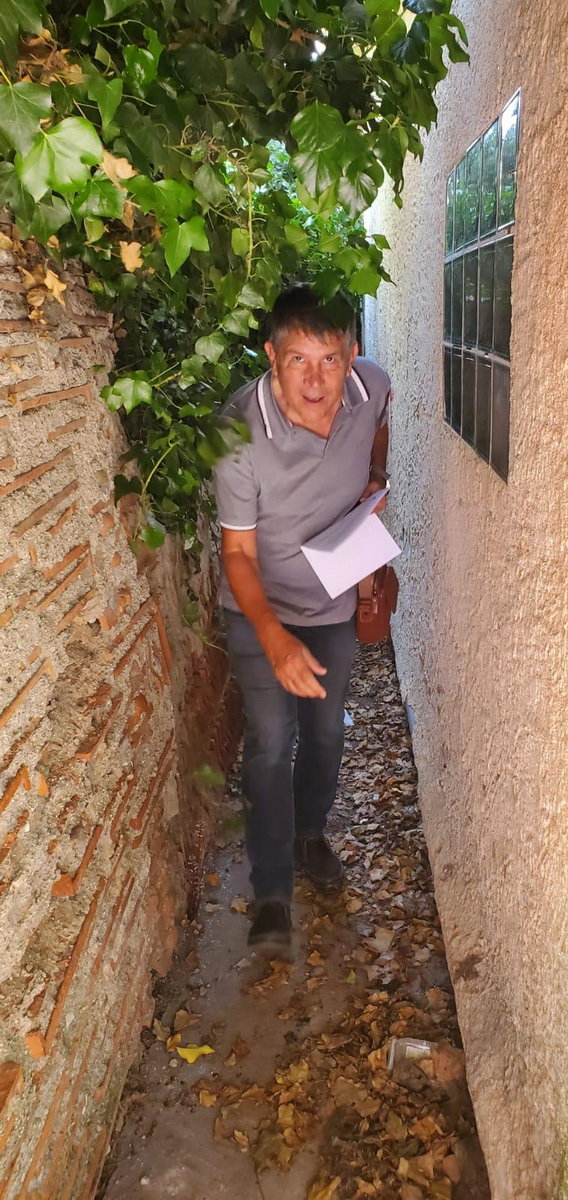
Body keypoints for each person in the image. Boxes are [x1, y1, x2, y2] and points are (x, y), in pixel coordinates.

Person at [213, 286, 390, 949]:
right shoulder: (236, 433)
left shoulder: (370, 386)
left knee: (324, 732)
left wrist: (375, 473)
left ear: (351, 355)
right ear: (271, 356)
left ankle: (309, 835)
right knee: (268, 740)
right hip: (257, 606)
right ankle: (270, 892)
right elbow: (237, 553)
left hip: (333, 600)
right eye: (298, 361)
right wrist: (274, 638)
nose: (316, 381)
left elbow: (382, 414)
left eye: (330, 360)